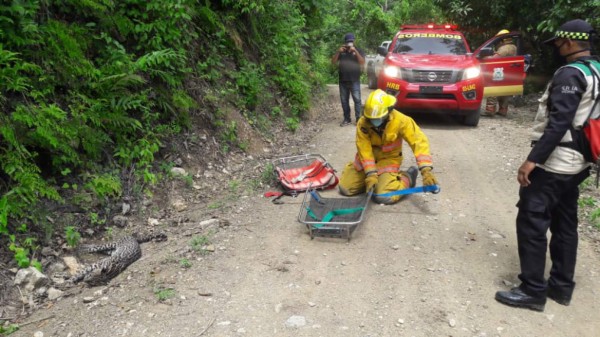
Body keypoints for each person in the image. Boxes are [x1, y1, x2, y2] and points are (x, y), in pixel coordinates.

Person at [495, 19, 599, 312]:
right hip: (579, 161)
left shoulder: (570, 74)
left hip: (557, 162)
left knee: (531, 218)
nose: (555, 48)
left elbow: (558, 123)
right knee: (565, 222)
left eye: (557, 43)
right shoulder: (597, 71)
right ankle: (561, 287)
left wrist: (532, 161)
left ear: (568, 43)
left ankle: (532, 290)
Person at [338, 89, 439, 204]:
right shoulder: (363, 123)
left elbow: (419, 142)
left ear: (388, 112)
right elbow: (364, 149)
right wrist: (370, 174)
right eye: (371, 119)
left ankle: (408, 177)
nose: (373, 122)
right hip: (367, 162)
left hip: (388, 161)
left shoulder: (402, 121)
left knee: (384, 197)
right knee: (346, 188)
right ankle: (374, 182)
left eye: (377, 119)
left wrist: (426, 171)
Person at [332, 33, 366, 127]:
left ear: (354, 41)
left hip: (354, 79)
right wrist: (338, 52)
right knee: (344, 101)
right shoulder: (341, 51)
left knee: (357, 100)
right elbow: (333, 62)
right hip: (343, 80)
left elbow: (362, 62)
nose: (349, 44)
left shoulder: (358, 50)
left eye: (351, 41)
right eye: (348, 42)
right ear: (345, 42)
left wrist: (355, 52)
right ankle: (347, 119)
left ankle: (359, 119)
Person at [485, 29, 518, 117]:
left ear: (503, 39)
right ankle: (503, 110)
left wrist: (485, 57)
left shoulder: (505, 48)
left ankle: (490, 110)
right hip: (509, 72)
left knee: (492, 89)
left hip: (500, 71)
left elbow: (495, 58)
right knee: (505, 92)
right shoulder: (514, 47)